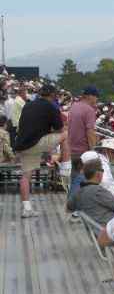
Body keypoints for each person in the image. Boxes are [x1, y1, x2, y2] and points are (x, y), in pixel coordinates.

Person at [14, 83, 66, 218]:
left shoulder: (28, 104)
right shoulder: (51, 106)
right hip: (37, 143)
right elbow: (59, 129)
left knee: (26, 176)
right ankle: (66, 166)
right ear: (53, 95)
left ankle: (26, 208)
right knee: (67, 134)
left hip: (22, 145)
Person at [66, 158, 114, 225]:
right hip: (107, 228)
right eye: (102, 170)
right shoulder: (99, 191)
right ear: (98, 174)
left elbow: (68, 208)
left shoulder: (78, 192)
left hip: (93, 228)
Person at [67, 86, 98, 182]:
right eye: (96, 96)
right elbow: (90, 132)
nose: (97, 99)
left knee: (74, 181)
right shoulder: (89, 110)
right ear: (90, 96)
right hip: (83, 152)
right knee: (84, 181)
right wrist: (93, 151)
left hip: (71, 150)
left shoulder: (74, 106)